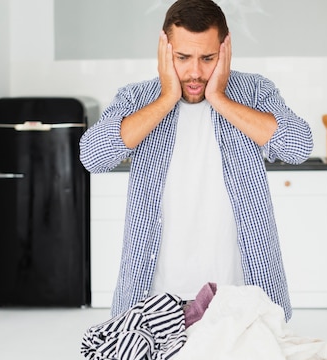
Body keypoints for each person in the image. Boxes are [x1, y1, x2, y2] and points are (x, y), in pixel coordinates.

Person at [79, 0, 313, 321]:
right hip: (155, 298)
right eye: (182, 58)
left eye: (208, 58)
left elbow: (298, 146)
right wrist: (166, 99)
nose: (195, 72)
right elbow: (93, 156)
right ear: (164, 48)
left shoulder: (254, 91)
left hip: (240, 294)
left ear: (225, 47)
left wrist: (219, 98)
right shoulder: (137, 99)